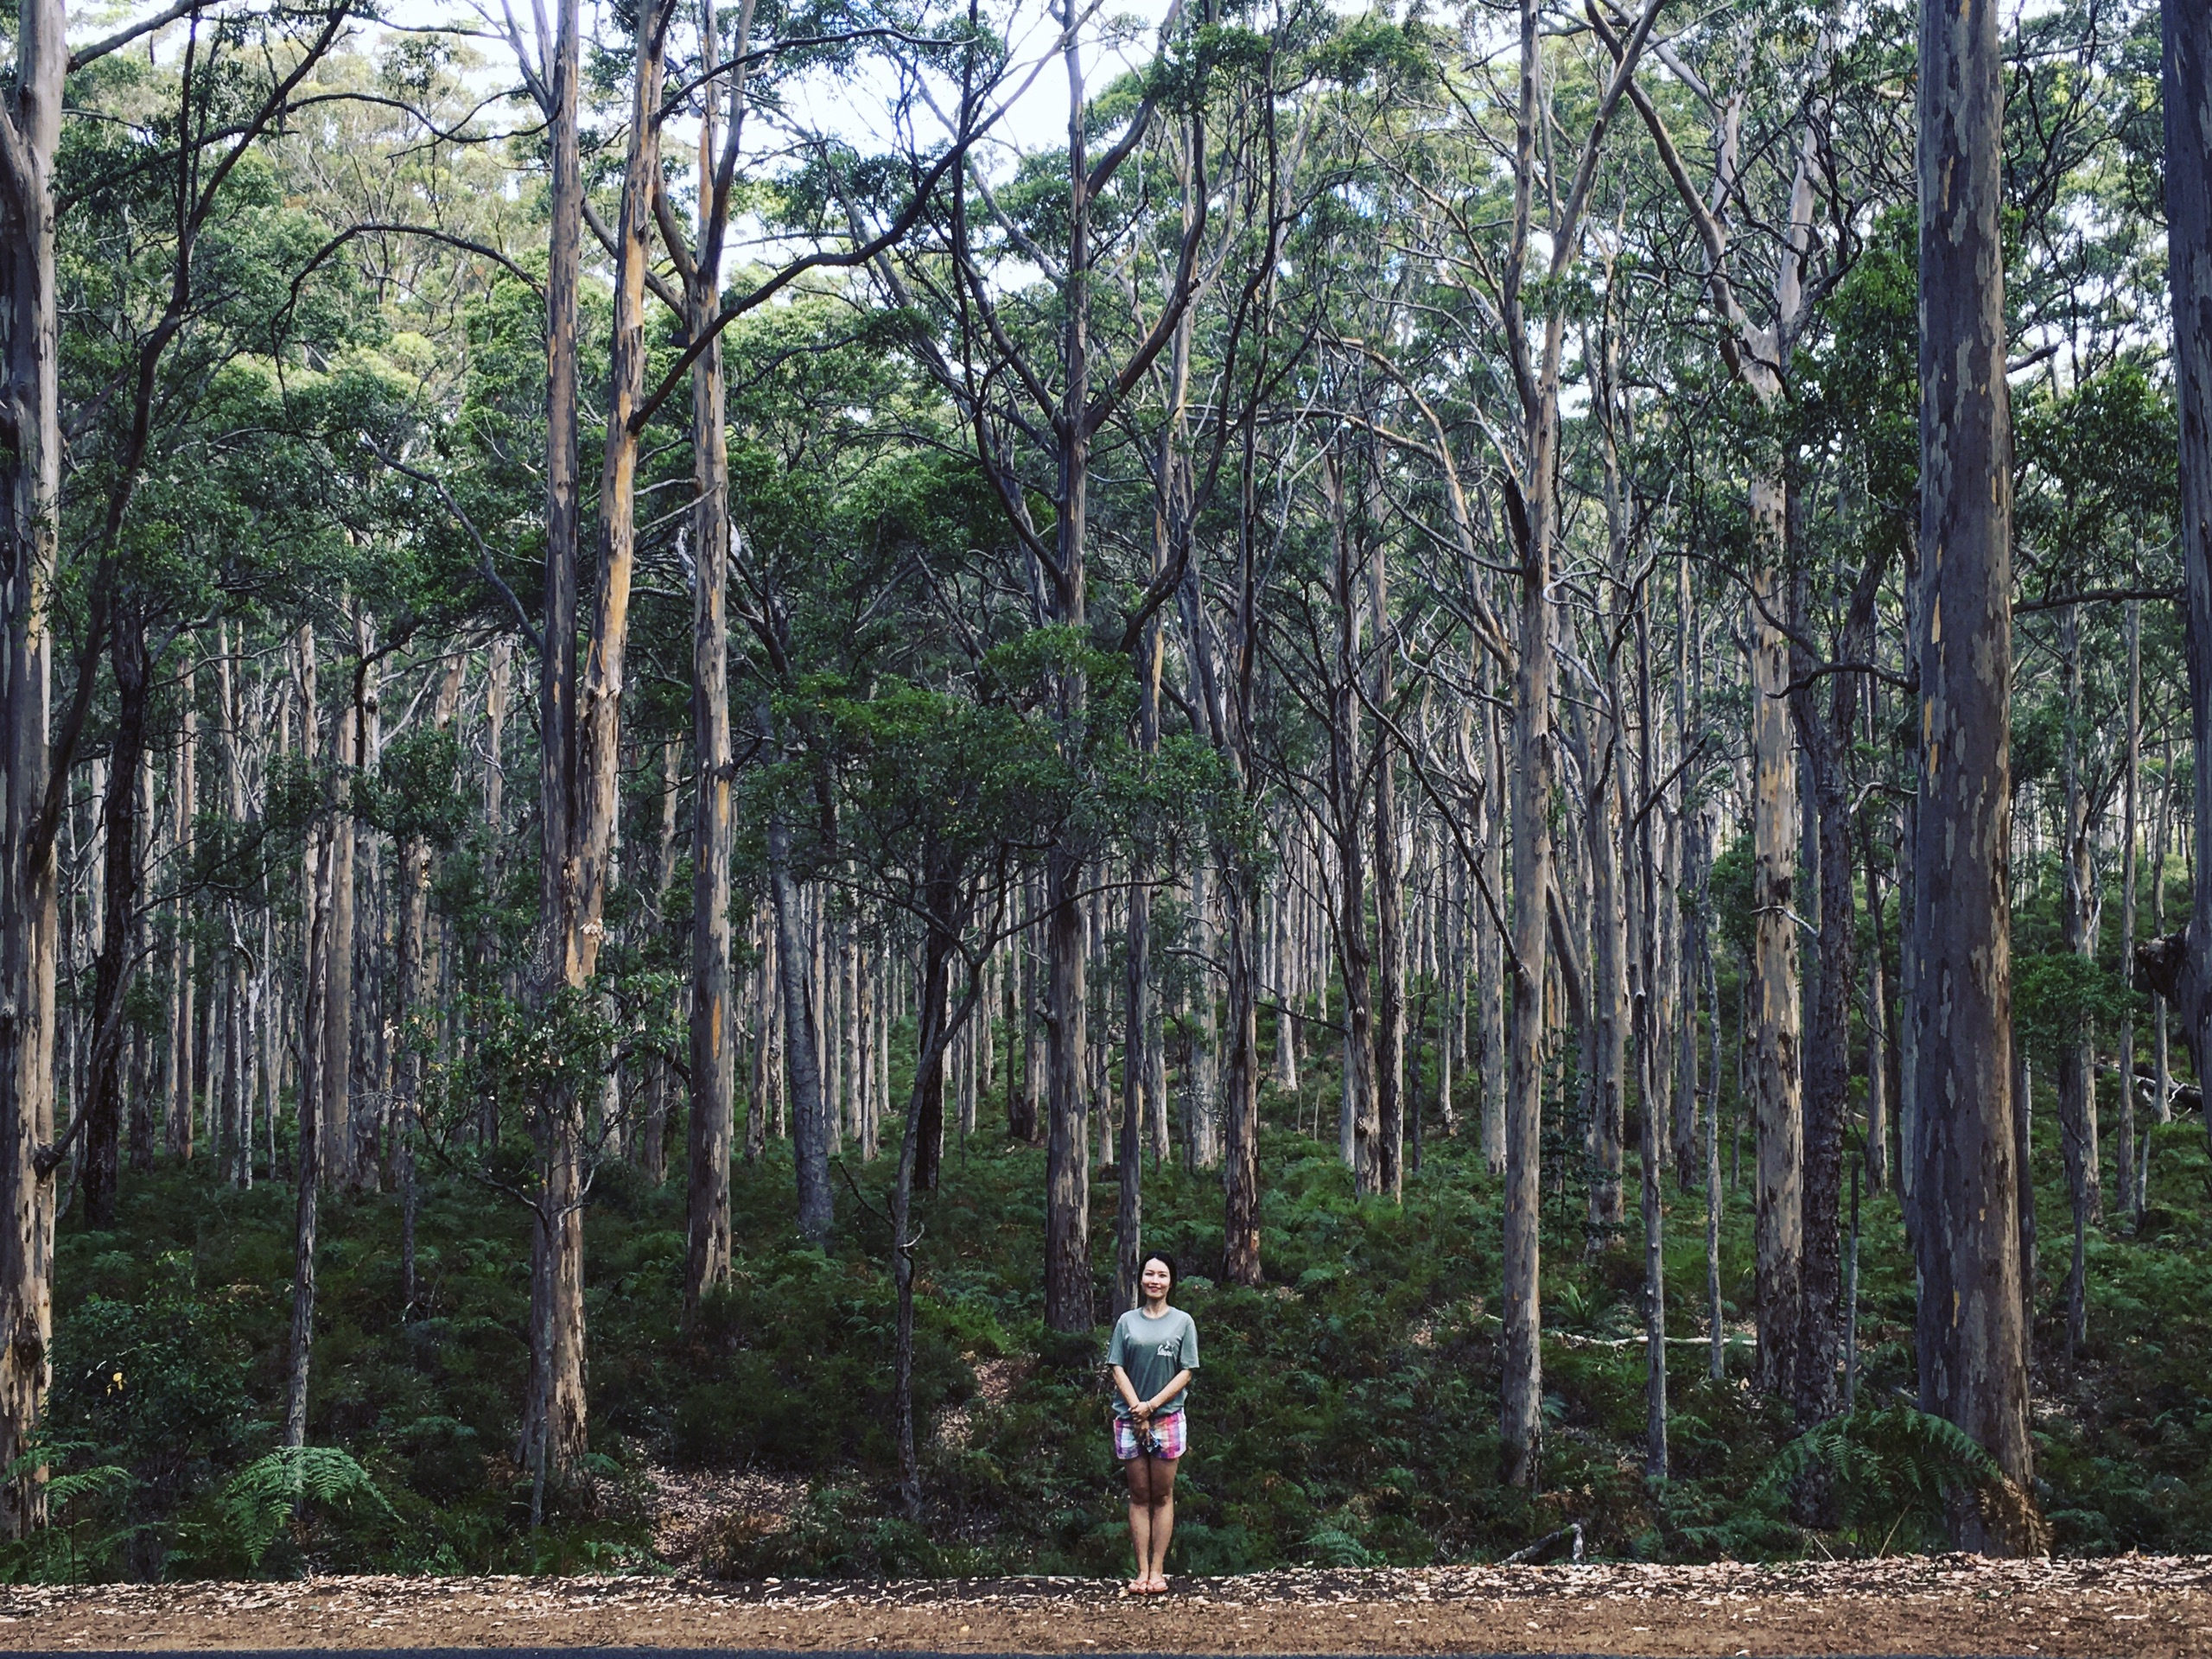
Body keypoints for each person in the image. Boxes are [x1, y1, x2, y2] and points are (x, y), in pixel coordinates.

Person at [1107, 1252, 1198, 1594]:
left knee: (1162, 1494)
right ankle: (1141, 1572)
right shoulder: (1127, 1322)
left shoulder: (1182, 1322)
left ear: (1171, 1281)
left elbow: (1187, 1370)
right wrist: (1136, 1409)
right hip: (1129, 1418)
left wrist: (1152, 1407)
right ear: (1141, 1279)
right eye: (1149, 1274)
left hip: (1167, 1418)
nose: (1154, 1281)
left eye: (1161, 1275)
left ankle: (1158, 1571)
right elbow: (1116, 1366)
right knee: (1138, 1493)